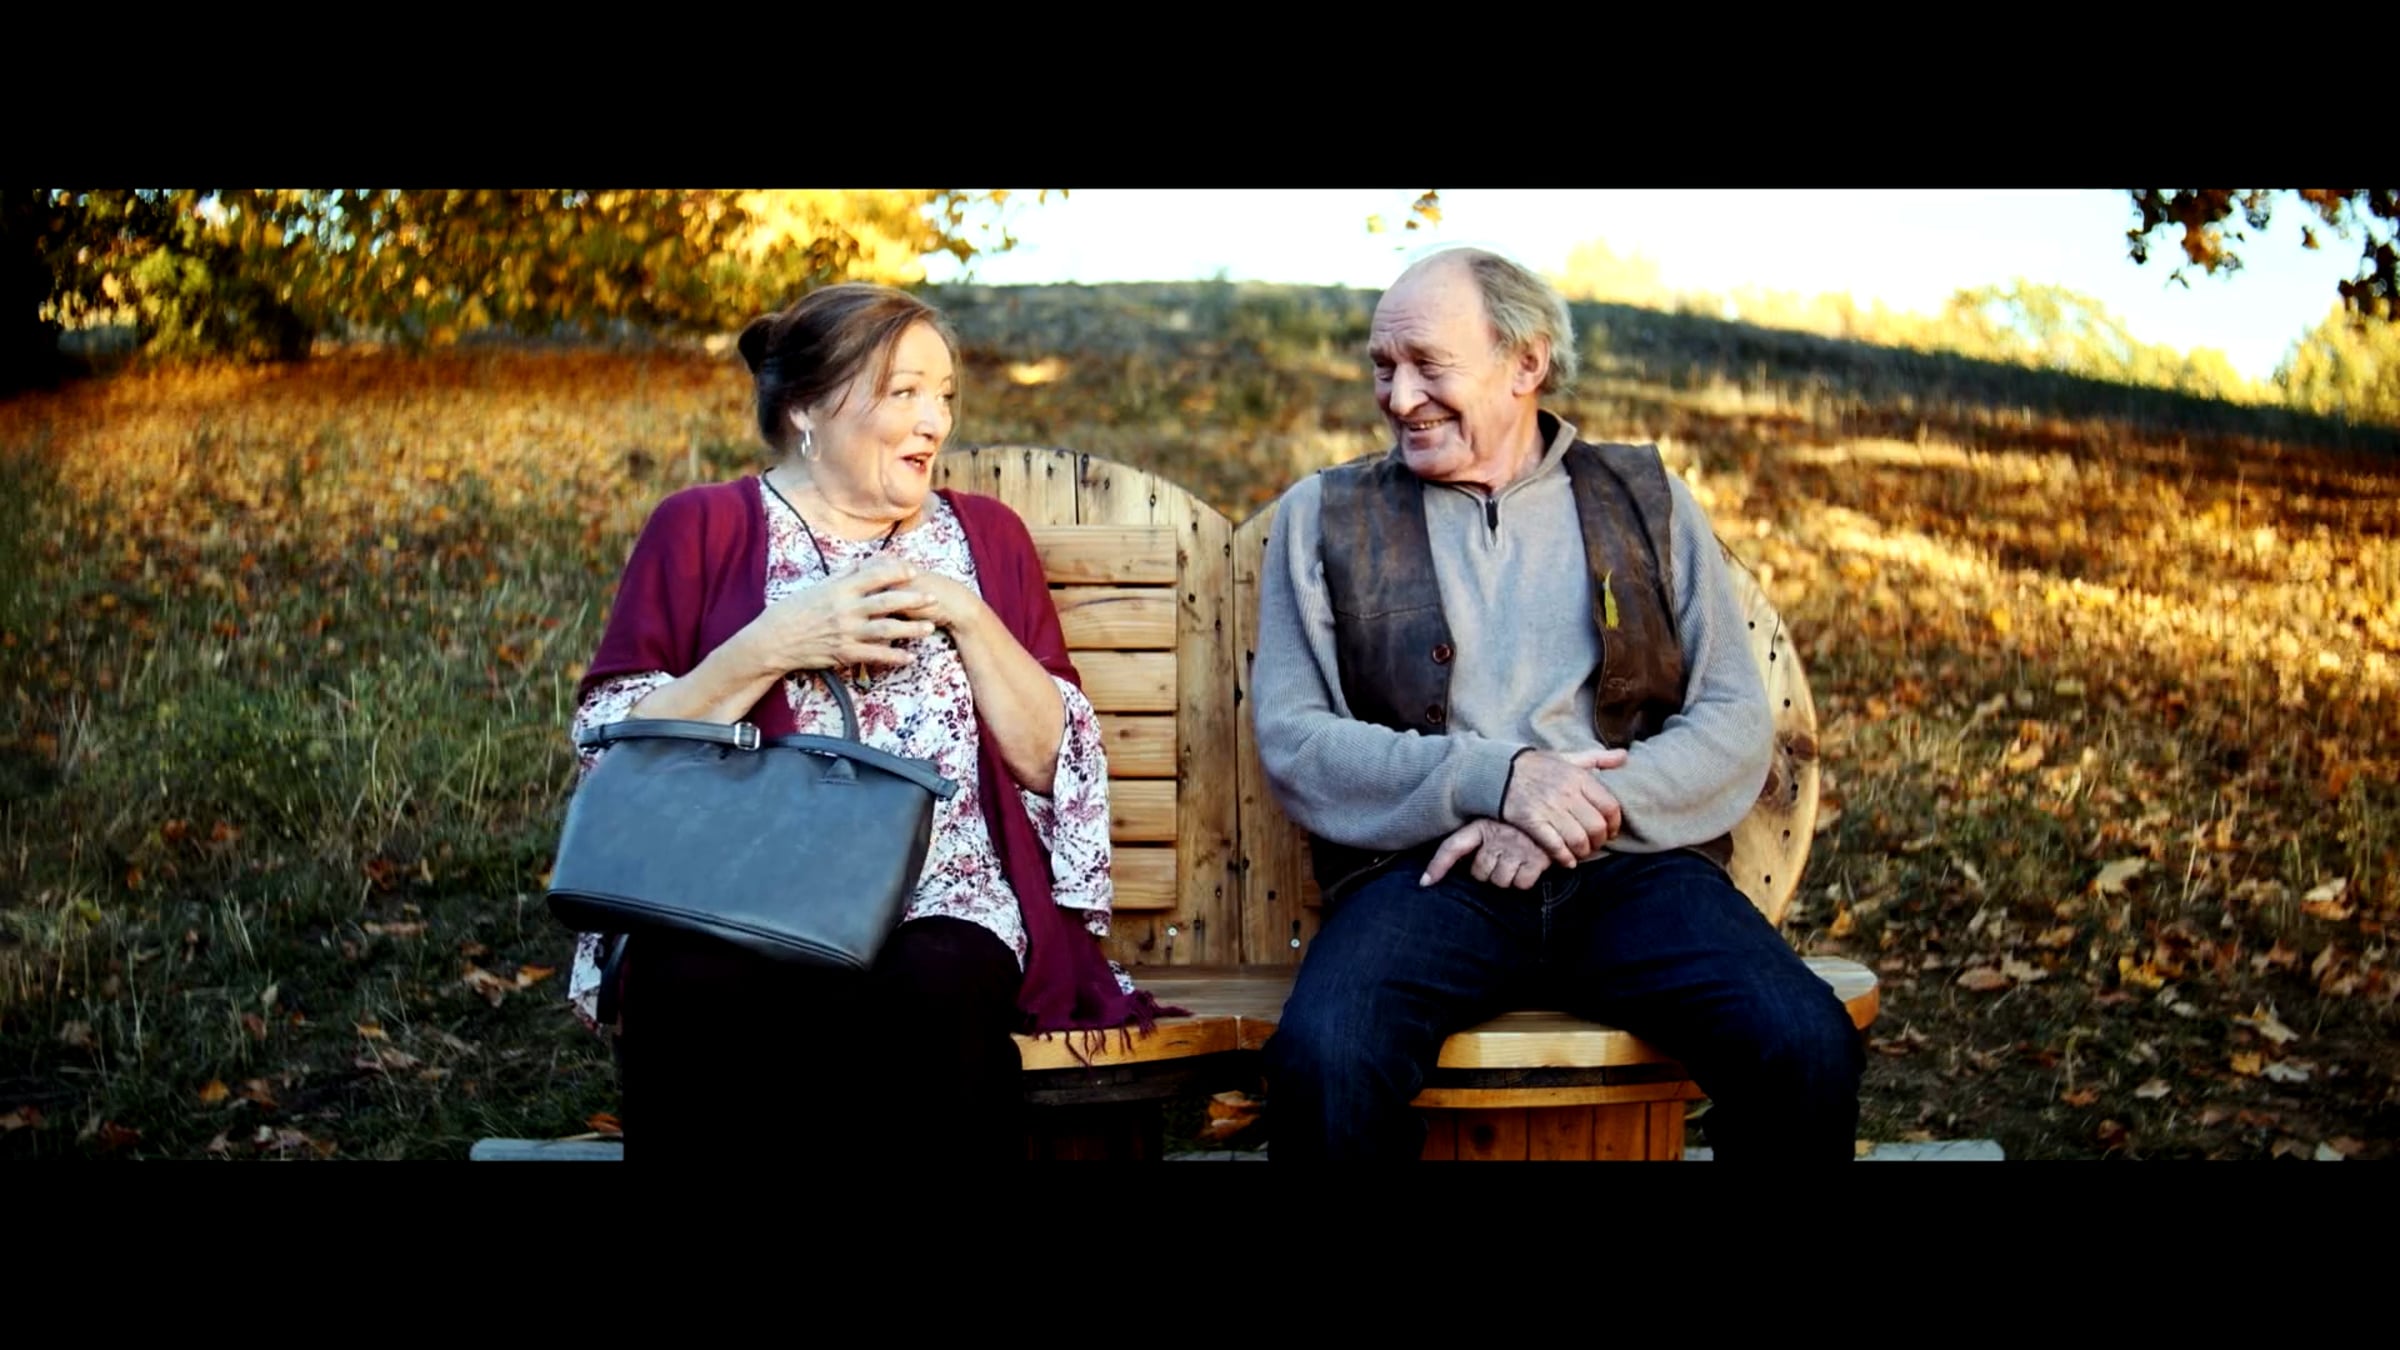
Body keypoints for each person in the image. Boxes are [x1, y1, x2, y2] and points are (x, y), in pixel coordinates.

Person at [1250, 248, 1864, 1162]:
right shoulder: (1324, 514)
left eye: (1428, 365)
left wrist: (1572, 808)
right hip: (1426, 877)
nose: (1399, 396)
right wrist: (1499, 779)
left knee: (1804, 1045)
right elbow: (1297, 741)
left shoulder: (1646, 500)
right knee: (1325, 1062)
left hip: (1635, 872)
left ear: (1526, 363)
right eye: (1383, 367)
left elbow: (1735, 717)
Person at [564, 282, 1170, 1160]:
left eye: (945, 394)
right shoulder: (700, 527)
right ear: (806, 408)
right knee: (686, 981)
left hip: (942, 894)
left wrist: (967, 614)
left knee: (934, 993)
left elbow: (1052, 763)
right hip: (735, 887)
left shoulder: (987, 538)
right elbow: (614, 746)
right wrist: (777, 642)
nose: (934, 421)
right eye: (903, 391)